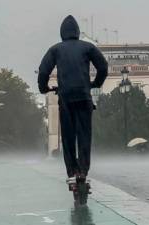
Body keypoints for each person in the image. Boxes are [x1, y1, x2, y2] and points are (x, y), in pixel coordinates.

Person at [38, 15, 108, 185]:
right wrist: (95, 84)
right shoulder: (88, 47)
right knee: (84, 135)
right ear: (77, 32)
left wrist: (44, 88)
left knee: (68, 136)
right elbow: (103, 67)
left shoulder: (55, 49)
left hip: (66, 97)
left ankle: (72, 170)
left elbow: (43, 71)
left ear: (62, 33)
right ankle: (83, 170)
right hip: (84, 96)